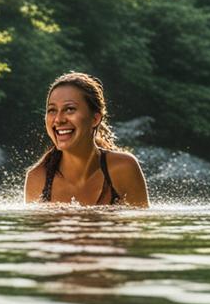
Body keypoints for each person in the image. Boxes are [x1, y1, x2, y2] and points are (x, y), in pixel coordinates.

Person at [24, 71, 149, 207]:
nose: (58, 119)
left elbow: (142, 225)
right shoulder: (38, 178)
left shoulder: (123, 168)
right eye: (52, 110)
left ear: (95, 119)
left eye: (70, 109)